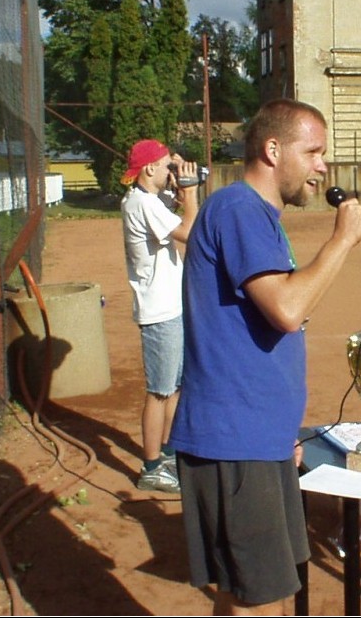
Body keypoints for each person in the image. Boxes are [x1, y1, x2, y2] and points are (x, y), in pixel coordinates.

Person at [170, 98, 361, 615]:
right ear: (273, 149)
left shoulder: (254, 214)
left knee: (258, 594)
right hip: (235, 441)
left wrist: (281, 433)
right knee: (257, 601)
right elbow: (286, 308)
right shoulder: (239, 209)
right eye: (314, 152)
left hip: (258, 437)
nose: (323, 167)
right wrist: (342, 241)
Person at [120, 139, 200, 493]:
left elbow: (176, 208)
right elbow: (190, 233)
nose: (173, 171)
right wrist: (191, 193)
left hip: (171, 306)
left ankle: (168, 450)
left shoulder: (152, 201)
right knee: (160, 390)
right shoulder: (141, 203)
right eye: (167, 165)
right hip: (159, 311)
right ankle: (151, 465)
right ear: (149, 169)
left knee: (175, 387)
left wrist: (180, 184)